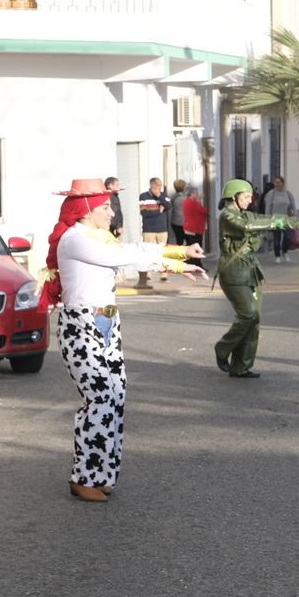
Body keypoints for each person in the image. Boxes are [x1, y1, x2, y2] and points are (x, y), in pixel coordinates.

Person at [43, 178, 204, 502]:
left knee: (116, 395)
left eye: (110, 206)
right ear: (85, 210)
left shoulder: (97, 237)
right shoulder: (75, 240)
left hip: (106, 321)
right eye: (105, 207)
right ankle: (83, 477)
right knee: (101, 397)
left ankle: (102, 474)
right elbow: (124, 257)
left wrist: (178, 258)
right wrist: (175, 258)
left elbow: (128, 251)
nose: (111, 213)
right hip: (81, 325)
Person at [213, 179, 299, 379]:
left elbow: (266, 218)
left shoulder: (246, 213)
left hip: (251, 271)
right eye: (246, 196)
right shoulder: (227, 216)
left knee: (254, 320)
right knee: (248, 314)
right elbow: (247, 225)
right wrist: (279, 222)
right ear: (233, 197)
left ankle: (240, 366)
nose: (250, 200)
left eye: (251, 197)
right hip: (233, 272)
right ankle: (222, 349)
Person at [136, 178, 172, 286]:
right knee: (148, 251)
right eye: (157, 186)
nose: (160, 188)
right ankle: (147, 273)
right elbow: (144, 212)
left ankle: (164, 273)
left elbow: (169, 206)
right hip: (149, 229)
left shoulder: (163, 195)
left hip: (162, 229)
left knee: (163, 252)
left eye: (161, 186)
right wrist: (158, 211)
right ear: (152, 186)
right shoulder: (143, 196)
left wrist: (159, 196)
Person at [264, 176, 297, 263]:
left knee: (287, 237)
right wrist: (267, 218)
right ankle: (277, 255)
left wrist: (295, 216)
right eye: (276, 182)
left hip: (286, 218)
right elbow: (268, 207)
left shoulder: (288, 194)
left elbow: (293, 205)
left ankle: (285, 252)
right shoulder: (271, 194)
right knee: (277, 238)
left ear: (283, 183)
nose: (277, 184)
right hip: (275, 219)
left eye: (279, 182)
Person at [181, 185, 208, 267]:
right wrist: (199, 201)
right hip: (194, 228)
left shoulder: (187, 201)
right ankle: (197, 264)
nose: (197, 194)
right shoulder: (192, 202)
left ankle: (193, 263)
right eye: (196, 192)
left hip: (191, 227)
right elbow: (204, 211)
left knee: (192, 245)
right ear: (192, 194)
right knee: (196, 246)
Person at [168, 178, 188, 244]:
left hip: (174, 222)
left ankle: (179, 253)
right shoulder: (184, 198)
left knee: (179, 240)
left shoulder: (173, 197)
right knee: (189, 241)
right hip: (183, 223)